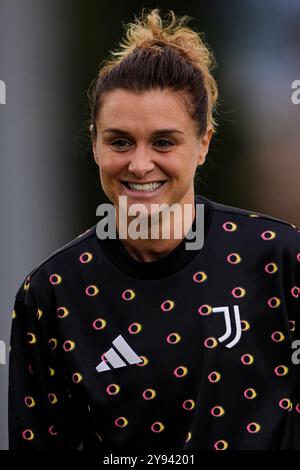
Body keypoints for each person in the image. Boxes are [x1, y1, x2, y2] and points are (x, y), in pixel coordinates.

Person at [8, 8, 300, 451]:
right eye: (120, 141)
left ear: (203, 143)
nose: (140, 164)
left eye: (164, 141)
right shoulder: (52, 294)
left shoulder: (278, 259)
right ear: (94, 144)